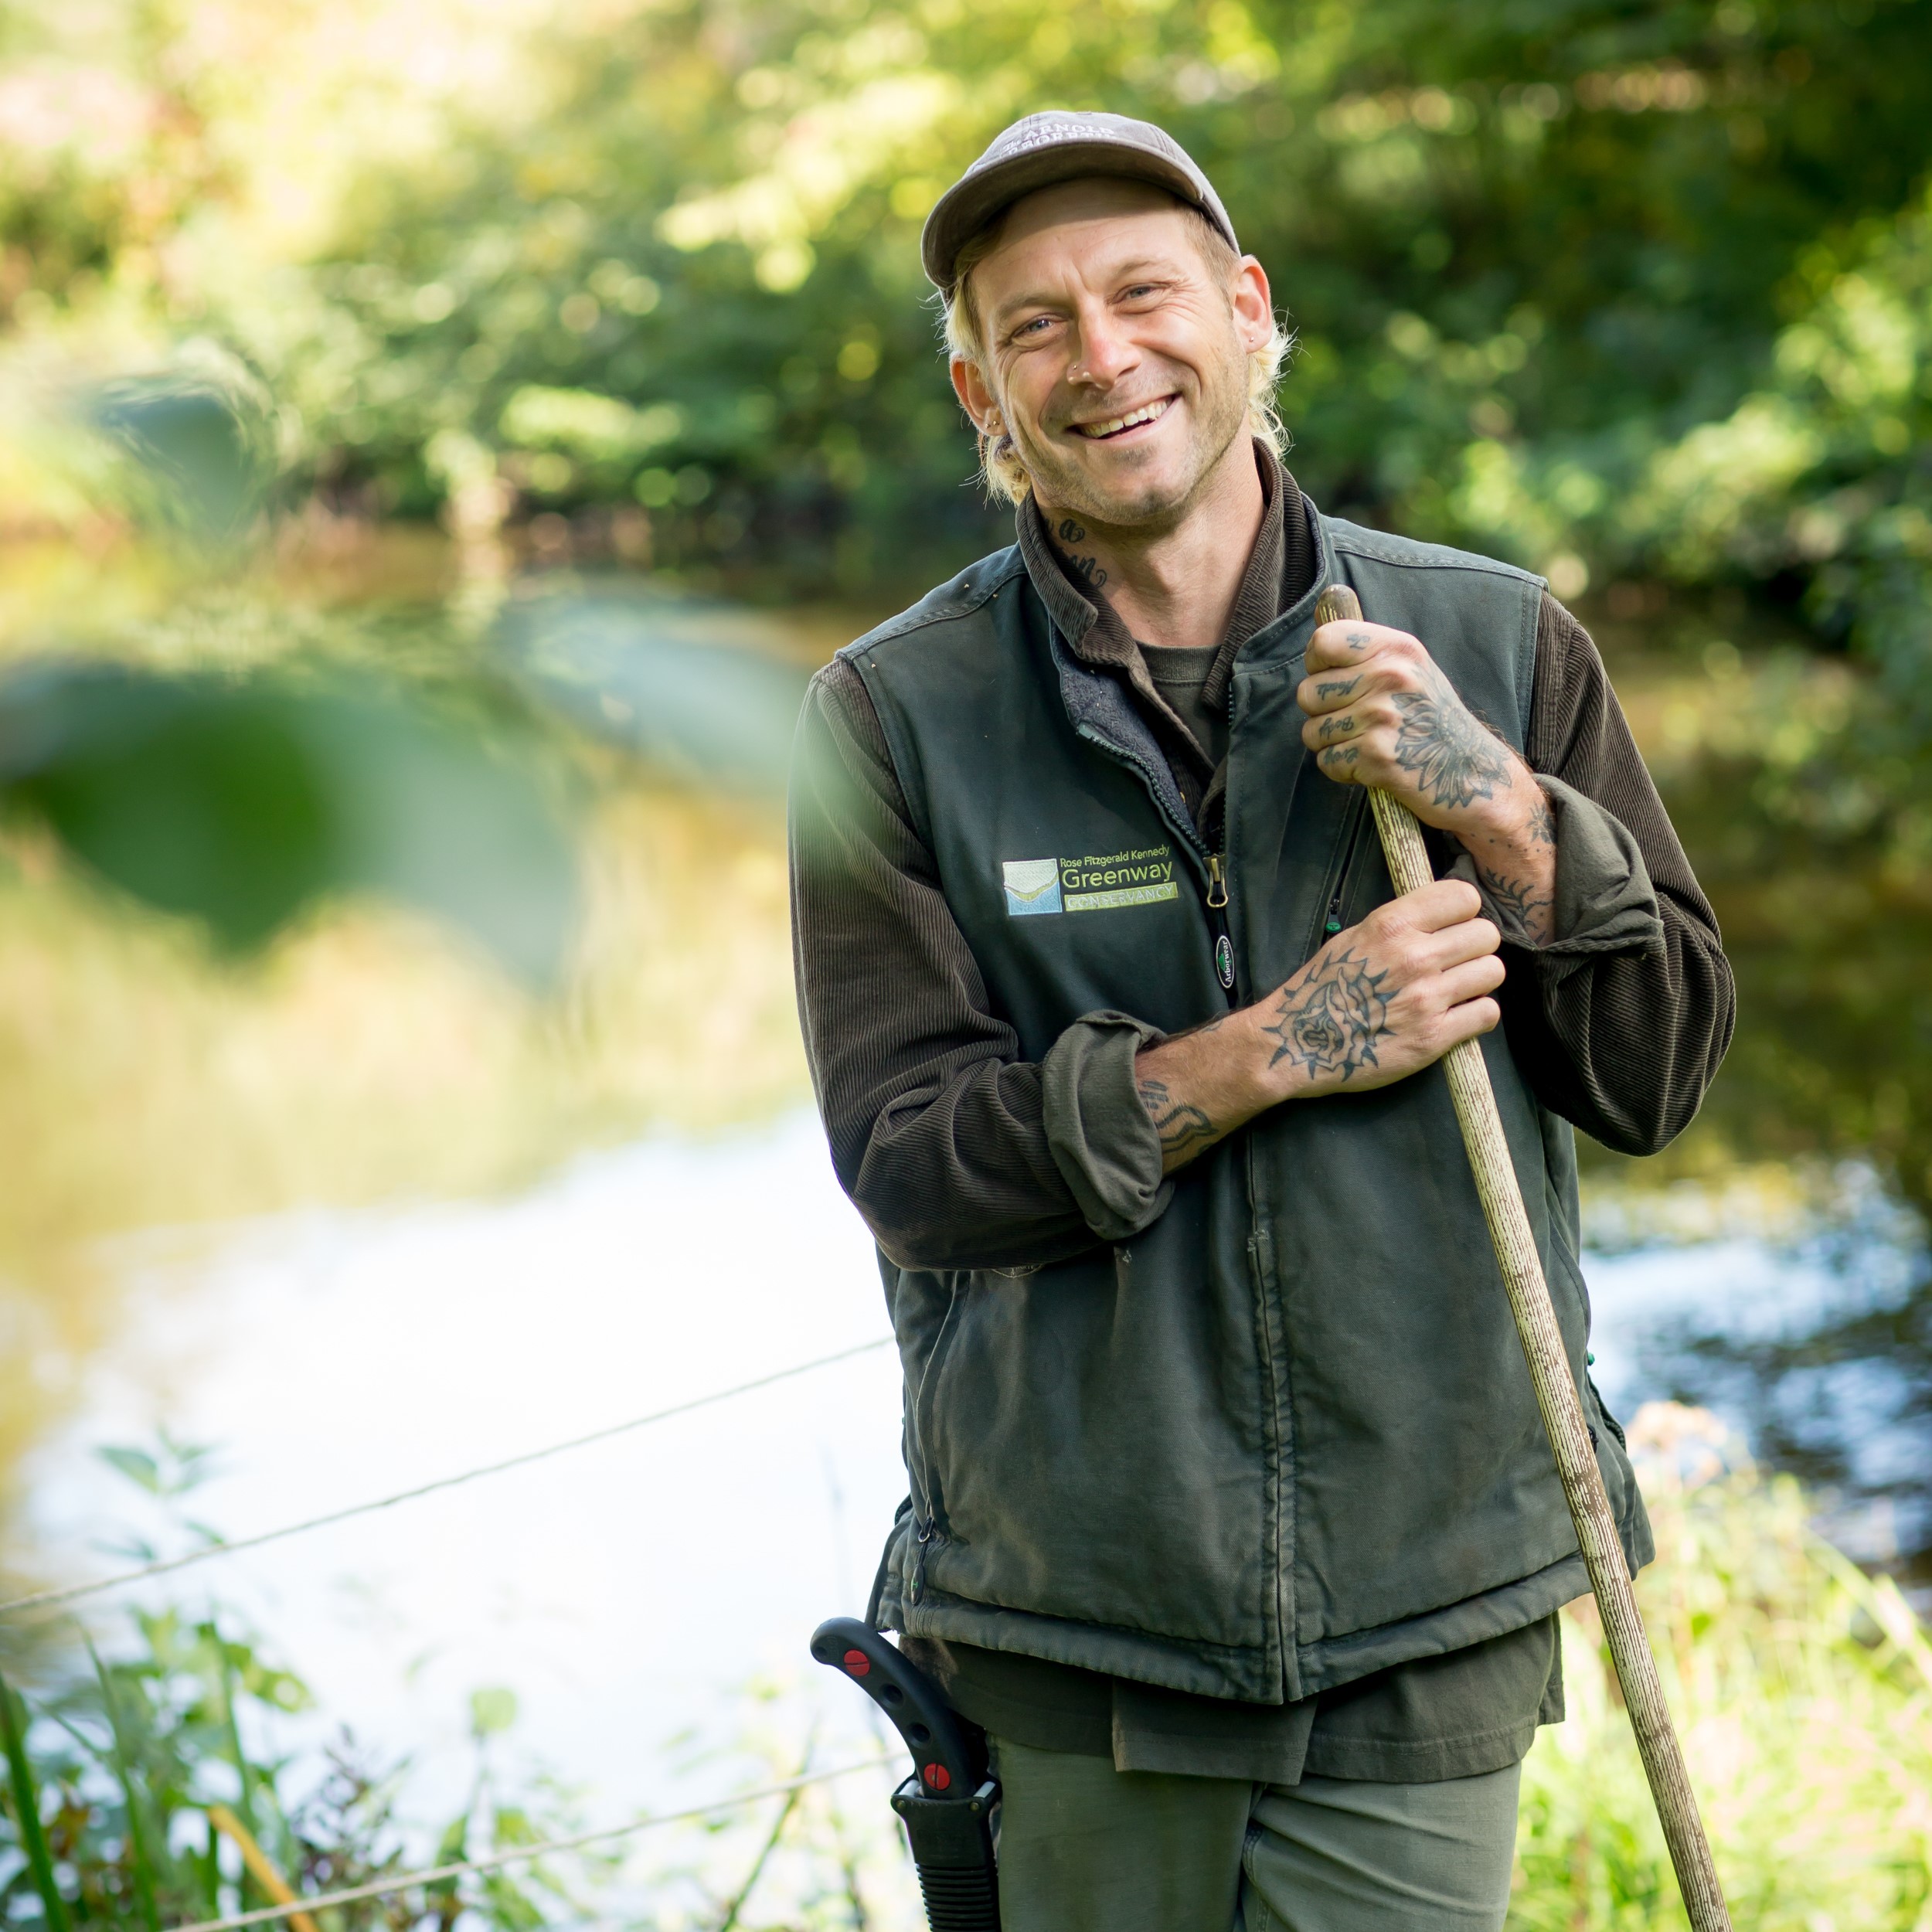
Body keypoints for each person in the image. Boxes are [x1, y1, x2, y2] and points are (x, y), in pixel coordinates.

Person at [788, 111, 1733, 1932]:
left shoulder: (1489, 636)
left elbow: (1657, 1072)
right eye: (1035, 325)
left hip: (1421, 1606)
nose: (1101, 356)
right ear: (983, 395)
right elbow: (910, 1163)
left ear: (1241, 310)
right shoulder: (889, 715)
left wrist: (1500, 807)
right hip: (1076, 1621)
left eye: (1142, 293)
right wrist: (1270, 1045)